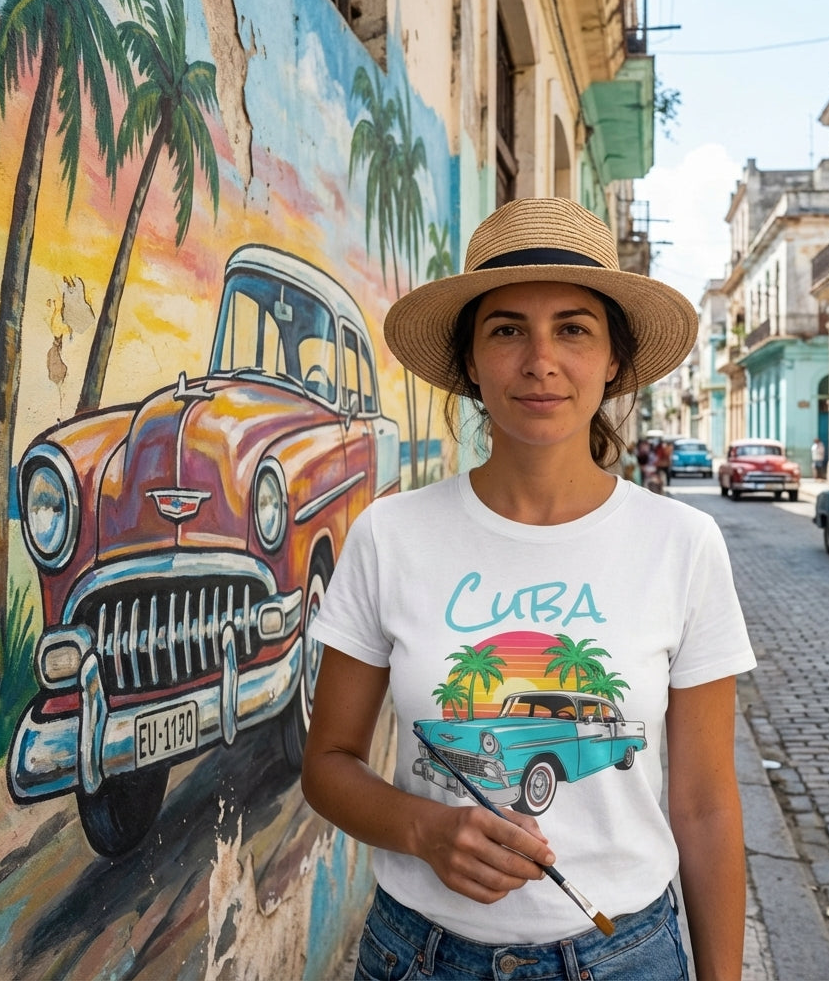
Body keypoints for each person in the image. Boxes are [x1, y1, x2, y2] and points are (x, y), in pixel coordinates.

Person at [301, 197, 756, 981]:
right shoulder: (391, 534)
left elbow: (707, 807)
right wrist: (423, 829)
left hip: (628, 956)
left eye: (573, 329)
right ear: (471, 362)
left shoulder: (682, 544)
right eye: (507, 329)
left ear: (613, 359)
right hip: (419, 955)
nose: (540, 359)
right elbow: (328, 763)